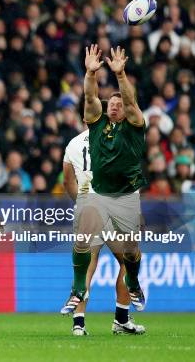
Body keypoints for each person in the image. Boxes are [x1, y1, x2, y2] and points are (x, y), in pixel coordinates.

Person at [61, 45, 147, 335]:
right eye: (111, 102)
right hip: (97, 195)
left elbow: (133, 105)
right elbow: (89, 96)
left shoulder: (135, 127)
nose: (114, 105)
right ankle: (77, 293)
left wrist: (120, 74)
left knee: (132, 253)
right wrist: (90, 73)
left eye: (119, 103)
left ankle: (132, 287)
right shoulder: (96, 127)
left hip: (125, 197)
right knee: (84, 244)